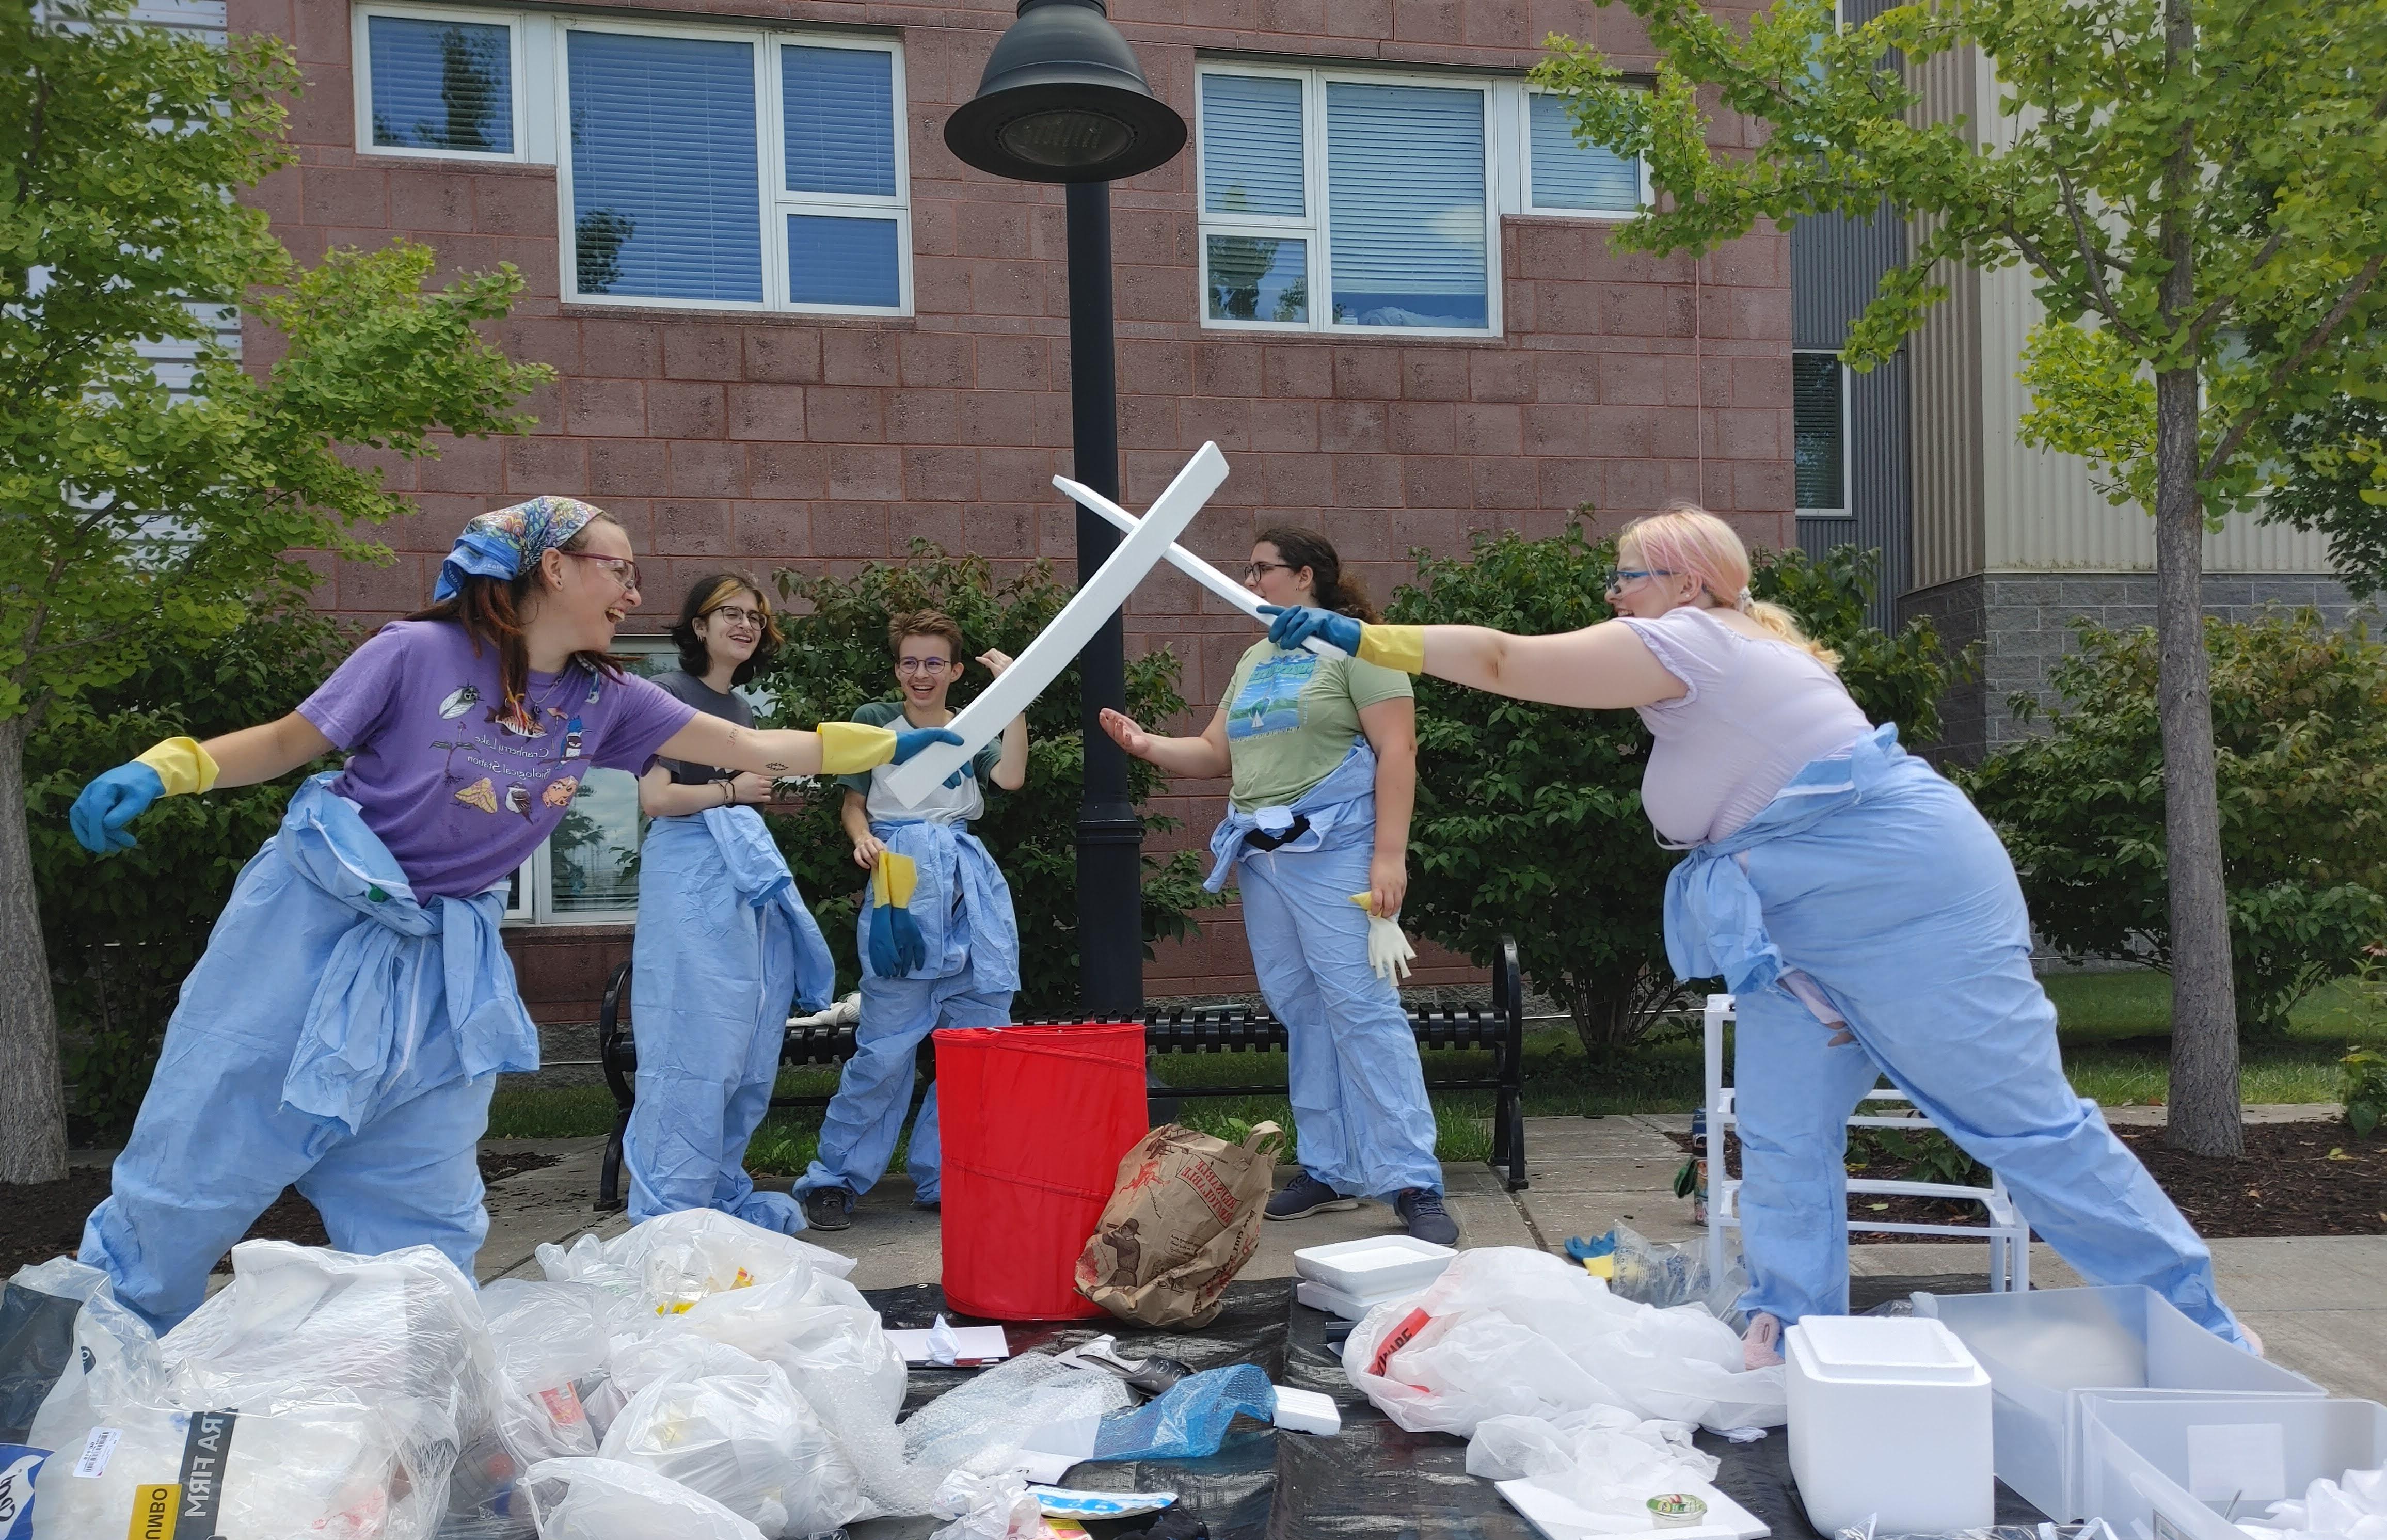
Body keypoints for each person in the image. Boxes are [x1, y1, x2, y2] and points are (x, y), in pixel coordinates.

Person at [1262, 503, 2253, 1361]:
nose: (1610, 594)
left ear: (1687, 582)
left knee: (2022, 1126)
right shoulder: (1710, 652)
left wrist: (1364, 639)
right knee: (1778, 1138)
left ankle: (2195, 1326)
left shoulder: (1696, 639)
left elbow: (1501, 658)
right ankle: (1787, 1336)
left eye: (1624, 576)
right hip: (1793, 930)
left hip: (1900, 900)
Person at [66, 498, 958, 1329]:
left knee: (423, 1216)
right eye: (618, 568)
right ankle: (98, 1360)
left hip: (442, 963)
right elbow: (287, 742)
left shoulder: (602, 697)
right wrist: (166, 767)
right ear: (551, 569)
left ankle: (411, 1395)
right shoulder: (413, 655)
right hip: (311, 928)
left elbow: (744, 744)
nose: (634, 591)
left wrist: (883, 743)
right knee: (204, 1155)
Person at [1101, 528, 1455, 1247]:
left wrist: (1391, 858)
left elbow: (1399, 750)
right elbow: (1212, 753)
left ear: (1304, 577)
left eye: (1262, 569)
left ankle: (1413, 1177)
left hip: (1338, 855)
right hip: (1264, 860)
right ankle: (1329, 1168)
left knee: (1362, 1008)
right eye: (1250, 568)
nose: (1251, 580)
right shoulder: (1255, 659)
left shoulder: (1358, 646)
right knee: (1303, 1009)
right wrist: (1146, 746)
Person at [789, 610, 1027, 1230]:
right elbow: (853, 805)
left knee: (974, 1047)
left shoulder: (969, 727)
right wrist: (863, 840)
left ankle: (948, 1177)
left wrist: (1015, 699)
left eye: (933, 663)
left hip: (968, 893)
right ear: (898, 669)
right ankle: (833, 1179)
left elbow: (1011, 776)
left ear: (953, 671)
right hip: (901, 885)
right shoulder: (875, 721)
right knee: (885, 1051)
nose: (921, 674)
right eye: (910, 662)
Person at [620, 572, 837, 1233]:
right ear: (697, 626)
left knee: (745, 1042)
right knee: (693, 1040)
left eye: (754, 616)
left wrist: (737, 796)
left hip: (734, 874)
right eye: (728, 613)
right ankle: (670, 1211)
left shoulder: (739, 710)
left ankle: (715, 1189)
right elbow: (655, 800)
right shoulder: (666, 696)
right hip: (688, 872)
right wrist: (733, 793)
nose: (744, 625)